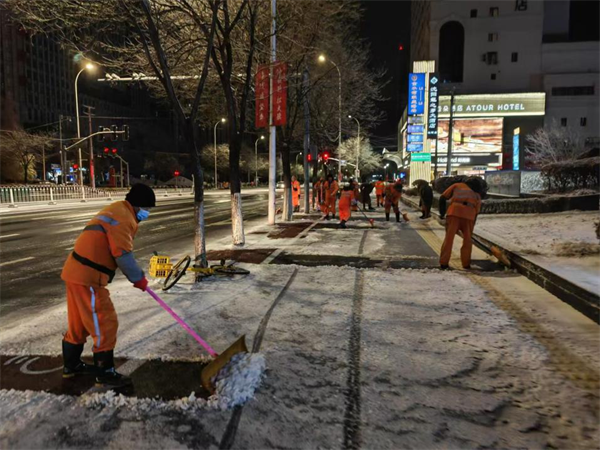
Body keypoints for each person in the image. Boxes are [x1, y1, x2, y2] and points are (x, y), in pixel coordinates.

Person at [60, 183, 155, 388]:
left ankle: (72, 366)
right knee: (105, 321)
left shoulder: (118, 209)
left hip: (75, 272)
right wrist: (139, 279)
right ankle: (105, 373)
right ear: (138, 205)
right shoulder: (123, 218)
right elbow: (122, 254)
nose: (147, 213)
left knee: (78, 323)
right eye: (147, 209)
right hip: (88, 277)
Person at [439, 180, 482, 270]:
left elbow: (442, 197)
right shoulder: (477, 194)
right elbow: (477, 211)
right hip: (469, 216)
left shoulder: (457, 185)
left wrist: (442, 213)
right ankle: (466, 264)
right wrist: (472, 224)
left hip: (454, 213)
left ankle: (444, 263)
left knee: (449, 239)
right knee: (467, 241)